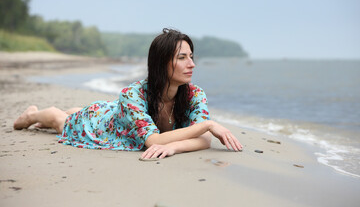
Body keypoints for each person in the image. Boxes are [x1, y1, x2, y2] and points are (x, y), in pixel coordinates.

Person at [13, 28, 243, 159]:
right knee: (60, 120)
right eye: (182, 58)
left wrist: (173, 147)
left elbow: (201, 140)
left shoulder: (194, 94)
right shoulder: (132, 94)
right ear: (161, 63)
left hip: (120, 116)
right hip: (104, 124)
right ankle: (31, 115)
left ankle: (74, 112)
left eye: (191, 56)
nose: (191, 64)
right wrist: (209, 124)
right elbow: (153, 140)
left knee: (80, 111)